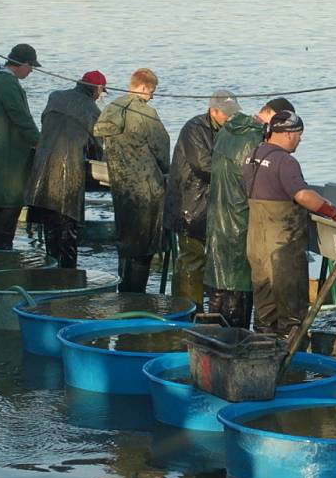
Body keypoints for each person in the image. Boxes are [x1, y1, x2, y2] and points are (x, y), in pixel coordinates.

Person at [242, 110, 336, 338]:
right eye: (300, 135)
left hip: (256, 244)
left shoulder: (252, 155)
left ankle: (262, 346)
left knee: (264, 303)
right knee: (291, 307)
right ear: (289, 133)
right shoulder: (285, 161)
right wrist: (334, 212)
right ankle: (293, 359)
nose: (300, 140)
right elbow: (302, 196)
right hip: (282, 244)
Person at [204, 97, 295, 328]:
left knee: (219, 300)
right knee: (239, 300)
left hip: (218, 220)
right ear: (272, 116)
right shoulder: (256, 139)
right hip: (243, 223)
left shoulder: (228, 130)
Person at [94, 68, 169, 293]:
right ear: (144, 87)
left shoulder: (111, 108)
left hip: (121, 186)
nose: (152, 96)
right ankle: (137, 295)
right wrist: (167, 171)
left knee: (126, 242)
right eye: (152, 91)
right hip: (147, 188)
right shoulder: (146, 113)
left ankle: (124, 289)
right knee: (144, 246)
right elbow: (162, 148)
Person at [164, 90, 240, 310]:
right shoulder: (194, 129)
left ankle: (199, 305)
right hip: (189, 203)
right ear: (213, 110)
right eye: (226, 114)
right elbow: (203, 165)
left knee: (205, 259)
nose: (230, 117)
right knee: (192, 258)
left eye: (233, 113)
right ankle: (187, 308)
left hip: (210, 203)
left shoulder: (229, 128)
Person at [24, 71, 105, 267]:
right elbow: (97, 149)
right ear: (98, 89)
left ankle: (51, 269)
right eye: (102, 92)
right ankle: (68, 276)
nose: (100, 97)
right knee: (68, 230)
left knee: (50, 226)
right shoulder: (92, 110)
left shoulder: (55, 96)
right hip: (68, 173)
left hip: (41, 168)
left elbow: (46, 124)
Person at [0, 44, 41, 250]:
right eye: (31, 67)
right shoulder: (8, 85)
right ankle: (3, 256)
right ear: (22, 64)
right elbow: (22, 118)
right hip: (8, 161)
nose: (32, 71)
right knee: (9, 207)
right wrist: (40, 142)